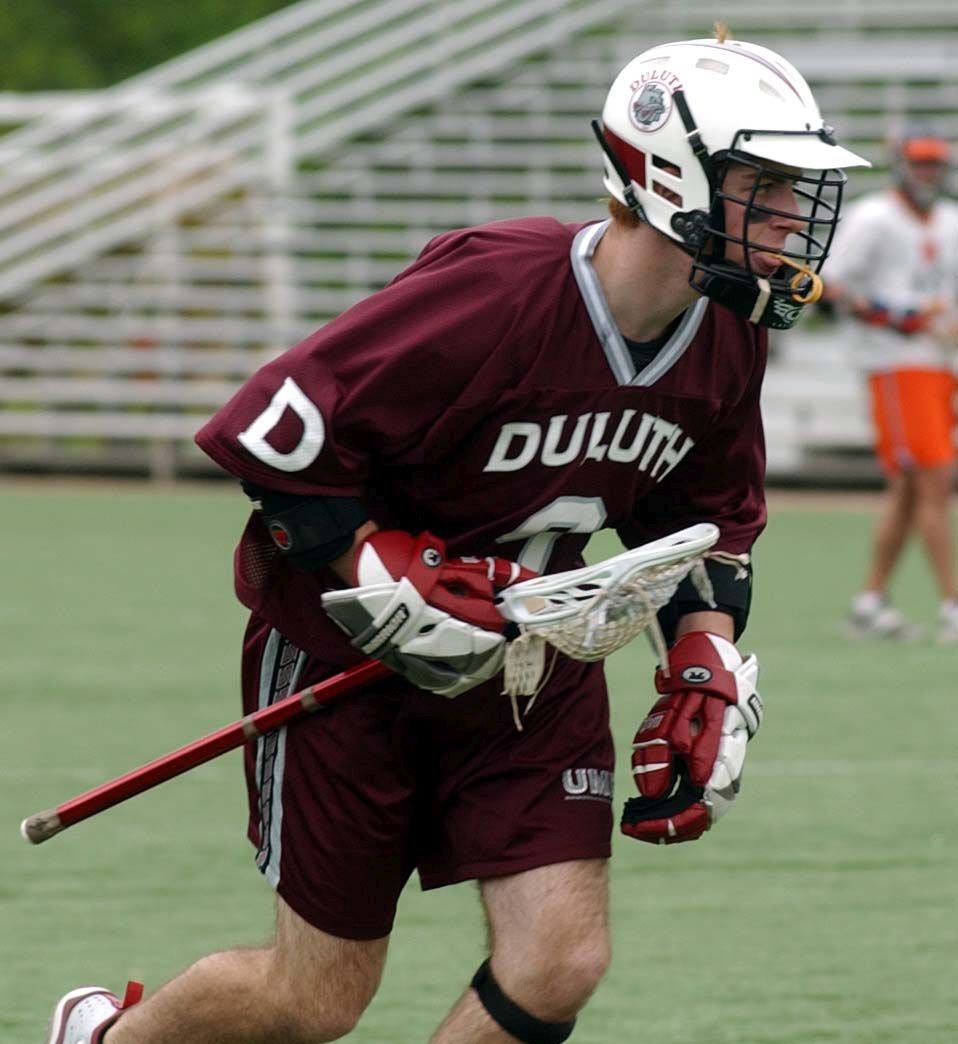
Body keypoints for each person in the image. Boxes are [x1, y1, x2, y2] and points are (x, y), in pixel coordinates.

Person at [48, 34, 866, 1044]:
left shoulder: (728, 328)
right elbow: (274, 431)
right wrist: (380, 560)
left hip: (536, 662)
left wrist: (701, 661)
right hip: (353, 656)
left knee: (559, 962)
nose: (789, 214)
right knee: (314, 1000)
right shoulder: (501, 287)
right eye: (763, 185)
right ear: (669, 175)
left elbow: (704, 523)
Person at [824, 126, 958, 642]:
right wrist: (894, 316)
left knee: (908, 491)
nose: (928, 172)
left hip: (938, 364)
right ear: (901, 165)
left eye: (934, 163)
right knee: (934, 479)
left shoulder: (948, 220)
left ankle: (870, 601)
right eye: (920, 162)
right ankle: (950, 603)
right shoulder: (874, 217)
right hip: (897, 365)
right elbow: (831, 286)